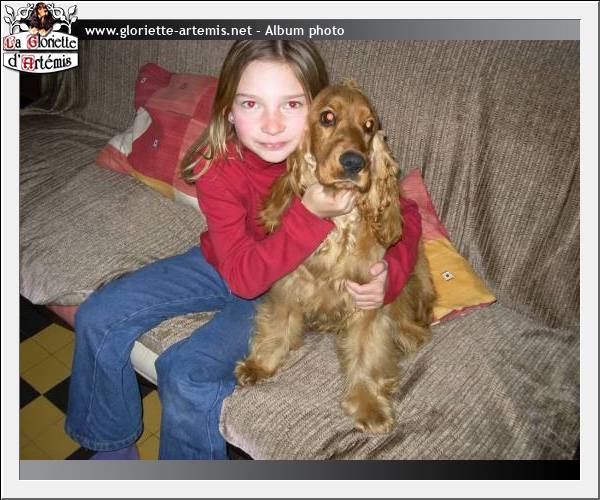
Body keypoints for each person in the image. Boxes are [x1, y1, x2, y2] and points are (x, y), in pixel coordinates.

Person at [64, 40, 422, 460]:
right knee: (98, 314)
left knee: (186, 374)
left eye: (291, 105)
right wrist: (310, 214)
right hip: (228, 264)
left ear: (314, 110)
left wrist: (389, 277)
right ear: (229, 111)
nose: (271, 125)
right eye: (251, 104)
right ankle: (109, 445)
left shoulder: (335, 157)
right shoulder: (216, 168)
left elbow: (404, 213)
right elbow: (241, 275)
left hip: (280, 286)